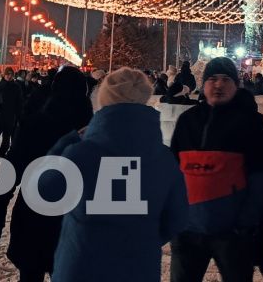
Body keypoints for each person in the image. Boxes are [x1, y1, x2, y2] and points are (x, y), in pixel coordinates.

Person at [38, 69, 189, 282]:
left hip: (82, 266)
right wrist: (143, 236)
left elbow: (44, 190)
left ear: (102, 100)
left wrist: (66, 142)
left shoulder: (81, 153)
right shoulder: (164, 160)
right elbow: (177, 217)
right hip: (137, 268)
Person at [169, 57, 263, 282]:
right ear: (204, 84)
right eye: (213, 79)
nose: (218, 85)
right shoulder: (188, 120)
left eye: (226, 79)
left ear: (236, 85)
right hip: (188, 229)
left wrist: (246, 222)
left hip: (232, 233)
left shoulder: (251, 122)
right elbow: (173, 171)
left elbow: (261, 177)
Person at [0, 67, 93, 282]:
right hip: (76, 224)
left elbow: (9, 173)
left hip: (34, 216)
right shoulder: (92, 131)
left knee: (31, 273)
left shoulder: (35, 125)